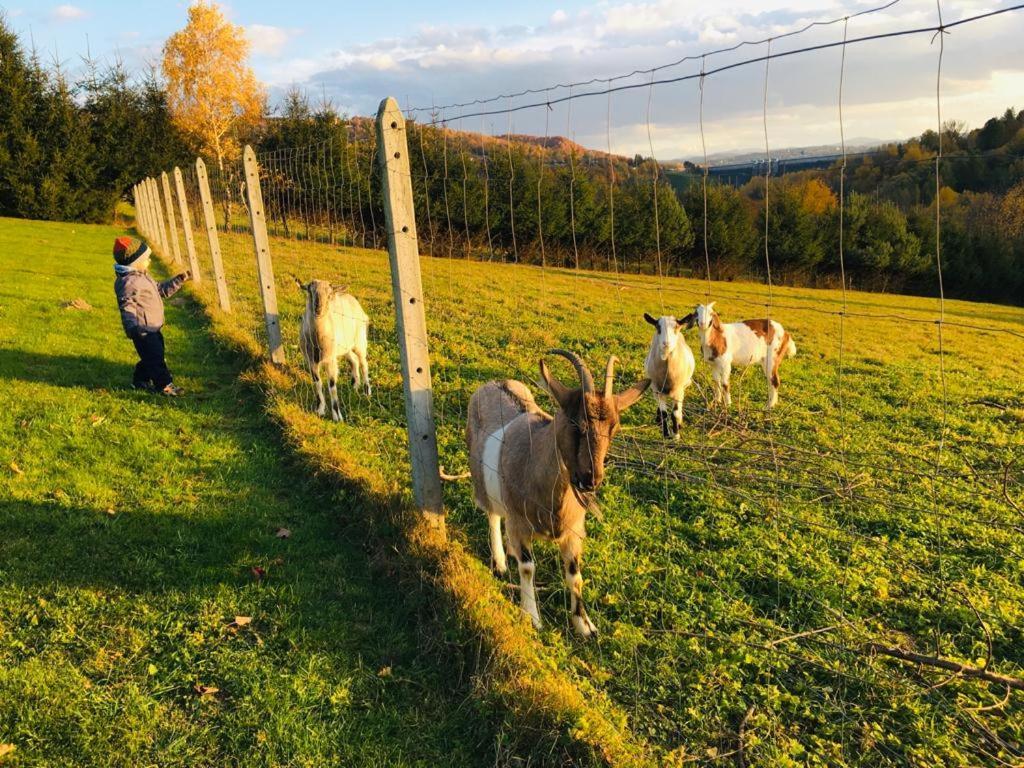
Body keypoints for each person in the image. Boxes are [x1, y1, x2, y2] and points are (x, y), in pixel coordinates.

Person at [112, 236, 190, 395]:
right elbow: (127, 306)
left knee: (153, 355)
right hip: (142, 331)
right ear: (135, 262)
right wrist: (133, 328)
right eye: (147, 259)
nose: (149, 262)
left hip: (152, 328)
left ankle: (140, 381)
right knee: (156, 359)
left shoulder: (142, 276)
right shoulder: (129, 282)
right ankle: (165, 385)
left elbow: (161, 289)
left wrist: (179, 280)